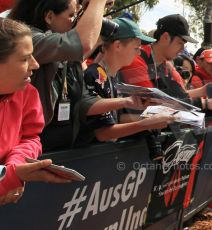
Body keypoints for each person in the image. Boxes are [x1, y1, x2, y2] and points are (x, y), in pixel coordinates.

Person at [10, 0, 148, 151]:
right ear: (49, 17)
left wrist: (128, 101)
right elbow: (82, 43)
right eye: (71, 15)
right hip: (27, 150)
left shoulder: (65, 54)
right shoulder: (26, 40)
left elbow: (84, 102)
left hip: (62, 150)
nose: (75, 21)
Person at [0, 18, 70, 206]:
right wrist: (11, 177)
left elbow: (31, 137)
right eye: (24, 58)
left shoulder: (27, 93)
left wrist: (13, 168)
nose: (35, 65)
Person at [119, 14, 212, 114]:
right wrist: (205, 103)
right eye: (180, 43)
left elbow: (181, 96)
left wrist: (206, 91)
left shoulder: (166, 65)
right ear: (165, 37)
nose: (182, 49)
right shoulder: (137, 59)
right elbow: (152, 102)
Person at [82, 17, 174, 143]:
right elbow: (103, 133)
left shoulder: (114, 76)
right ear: (118, 45)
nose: (139, 54)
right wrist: (146, 124)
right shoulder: (96, 75)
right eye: (136, 48)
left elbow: (117, 118)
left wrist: (153, 118)